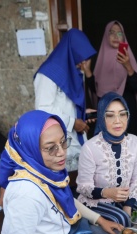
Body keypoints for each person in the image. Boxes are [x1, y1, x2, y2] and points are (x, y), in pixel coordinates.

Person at [0, 110, 123, 234]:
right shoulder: (25, 192)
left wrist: (100, 219)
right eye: (51, 148)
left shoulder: (41, 170)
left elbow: (63, 198)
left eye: (63, 142)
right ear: (31, 147)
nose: (61, 153)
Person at [76, 92, 137, 227]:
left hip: (127, 199)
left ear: (128, 116)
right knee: (121, 219)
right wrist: (107, 192)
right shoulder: (90, 147)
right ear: (102, 118)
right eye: (110, 115)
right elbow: (83, 187)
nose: (117, 121)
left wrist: (129, 205)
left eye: (122, 114)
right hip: (98, 201)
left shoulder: (134, 141)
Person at [34, 28, 97, 173]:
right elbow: (43, 108)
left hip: (73, 135)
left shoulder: (73, 72)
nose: (82, 63)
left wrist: (83, 114)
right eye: (80, 58)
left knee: (78, 177)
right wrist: (73, 122)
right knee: (64, 180)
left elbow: (67, 103)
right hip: (58, 137)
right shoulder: (48, 74)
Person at [83, 21, 137, 132]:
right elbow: (95, 90)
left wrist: (128, 66)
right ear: (106, 36)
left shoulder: (129, 59)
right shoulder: (101, 59)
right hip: (107, 113)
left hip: (126, 113)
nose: (115, 36)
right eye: (112, 32)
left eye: (119, 33)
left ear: (123, 37)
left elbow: (136, 87)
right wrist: (87, 71)